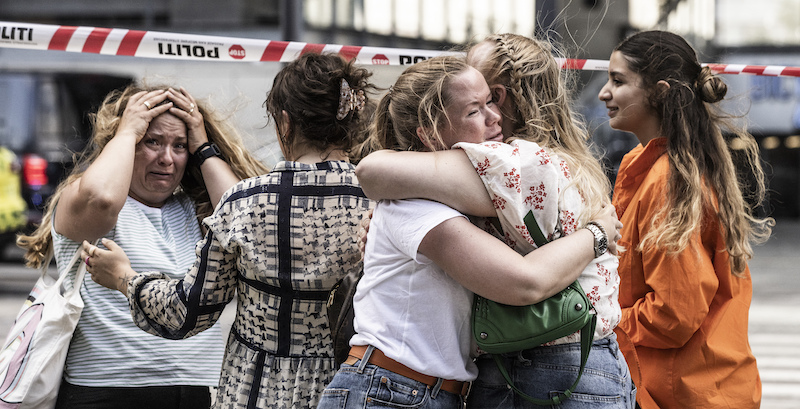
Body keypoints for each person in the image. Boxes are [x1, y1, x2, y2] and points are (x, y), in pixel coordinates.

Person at [317, 54, 623, 409]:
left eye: (492, 101)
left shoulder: (457, 197)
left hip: (412, 390)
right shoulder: (415, 206)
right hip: (391, 389)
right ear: (429, 135)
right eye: (474, 110)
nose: (494, 118)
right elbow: (525, 282)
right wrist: (598, 233)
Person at [82, 52, 374, 408]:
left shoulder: (246, 203)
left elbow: (186, 312)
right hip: (346, 390)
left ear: (284, 124)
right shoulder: (380, 204)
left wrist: (124, 278)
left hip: (253, 390)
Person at [15, 84, 266, 407]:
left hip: (192, 390)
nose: (166, 159)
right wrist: (126, 131)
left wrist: (202, 145)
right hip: (106, 390)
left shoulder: (196, 209)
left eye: (179, 146)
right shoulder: (86, 198)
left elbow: (249, 227)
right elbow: (102, 198)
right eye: (152, 142)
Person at [598, 30, 774, 408]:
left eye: (618, 80)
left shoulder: (668, 180)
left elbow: (674, 313)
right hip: (692, 386)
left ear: (659, 91)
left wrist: (601, 321)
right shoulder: (654, 165)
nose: (604, 93)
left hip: (684, 393)